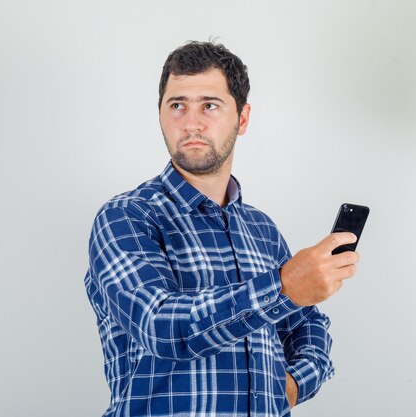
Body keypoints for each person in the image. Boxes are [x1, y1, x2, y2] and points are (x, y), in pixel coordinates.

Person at [84, 41, 360, 417]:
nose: (191, 122)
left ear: (242, 119)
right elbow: (159, 326)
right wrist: (283, 286)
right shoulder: (126, 218)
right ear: (161, 114)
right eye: (177, 105)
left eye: (209, 106)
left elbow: (306, 323)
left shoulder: (261, 230)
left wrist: (294, 384)